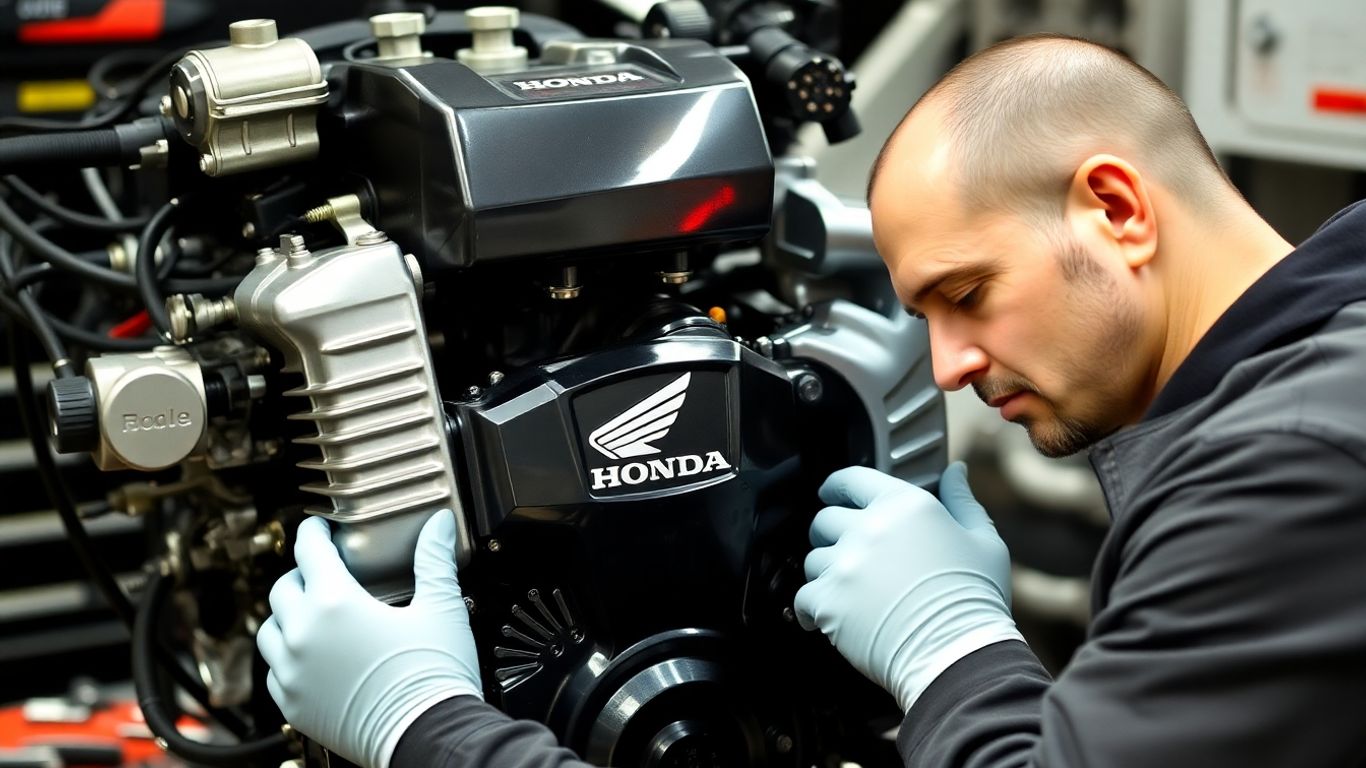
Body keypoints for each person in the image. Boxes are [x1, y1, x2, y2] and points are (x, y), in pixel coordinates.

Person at [256, 33, 1366, 767]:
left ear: (1116, 209)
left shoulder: (1290, 470)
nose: (945, 367)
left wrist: (429, 728)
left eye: (968, 295)